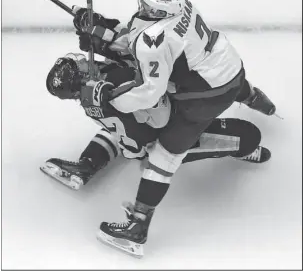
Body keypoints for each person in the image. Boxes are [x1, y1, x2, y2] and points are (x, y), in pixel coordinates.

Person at [70, 0, 276, 256]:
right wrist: (101, 29)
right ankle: (261, 102)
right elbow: (140, 39)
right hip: (230, 68)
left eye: (146, 3)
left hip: (203, 98)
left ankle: (137, 229)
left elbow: (148, 93)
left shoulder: (153, 40)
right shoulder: (181, 7)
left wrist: (109, 97)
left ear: (158, 11)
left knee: (164, 155)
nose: (141, 5)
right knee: (233, 86)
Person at [42, 53, 270, 257]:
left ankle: (87, 165)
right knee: (248, 135)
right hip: (168, 133)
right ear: (81, 78)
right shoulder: (108, 91)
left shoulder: (95, 90)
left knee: (113, 133)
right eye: (78, 65)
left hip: (146, 127)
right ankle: (138, 226)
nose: (82, 59)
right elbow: (153, 125)